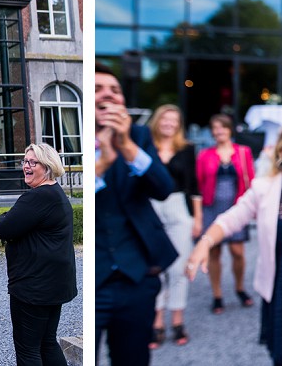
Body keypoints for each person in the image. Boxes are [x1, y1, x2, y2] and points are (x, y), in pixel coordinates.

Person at [188, 122, 282, 365]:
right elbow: (231, 218)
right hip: (277, 285)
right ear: (281, 148)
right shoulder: (263, 187)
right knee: (280, 351)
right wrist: (204, 243)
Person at [94, 63, 176, 365]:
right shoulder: (69, 138)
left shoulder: (139, 136)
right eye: (98, 89)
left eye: (115, 90)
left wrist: (126, 146)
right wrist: (101, 164)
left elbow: (163, 188)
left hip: (136, 277)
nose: (109, 95)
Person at [0, 143, 77, 365]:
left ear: (47, 166)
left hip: (34, 287)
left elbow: (2, 227)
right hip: (52, 285)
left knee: (28, 349)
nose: (26, 166)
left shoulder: (38, 197)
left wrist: (6, 218)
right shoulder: (56, 194)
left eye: (33, 162)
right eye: (25, 161)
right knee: (47, 342)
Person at [146, 104, 199, 348]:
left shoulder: (187, 149)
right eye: (165, 119)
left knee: (178, 267)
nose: (169, 124)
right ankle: (157, 322)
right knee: (155, 267)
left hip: (178, 206)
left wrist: (197, 218)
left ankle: (177, 320)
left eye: (174, 121)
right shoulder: (146, 146)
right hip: (150, 208)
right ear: (158, 121)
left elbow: (194, 185)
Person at [196, 113, 256, 314]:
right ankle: (217, 294)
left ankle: (239, 287)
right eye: (215, 128)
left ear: (230, 129)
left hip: (236, 204)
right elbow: (198, 184)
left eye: (222, 127)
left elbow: (251, 178)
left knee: (237, 252)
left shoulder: (243, 152)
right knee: (214, 252)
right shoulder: (204, 154)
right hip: (212, 206)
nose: (218, 131)